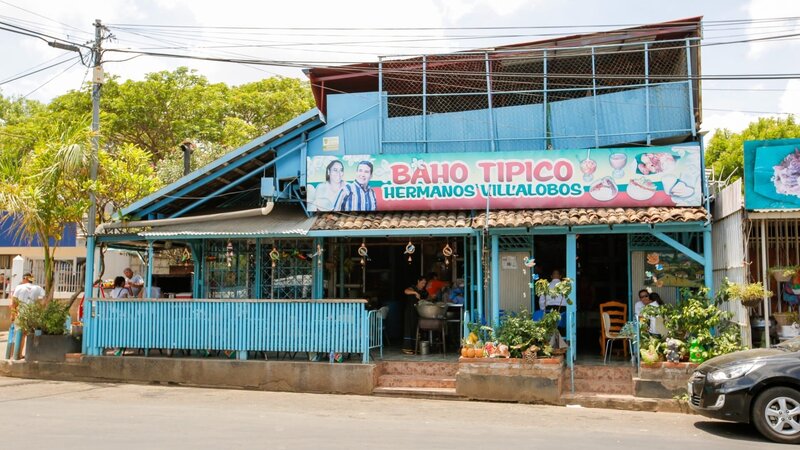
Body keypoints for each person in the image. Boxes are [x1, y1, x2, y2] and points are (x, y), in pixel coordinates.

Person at [10, 273, 45, 358]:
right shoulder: (38, 288)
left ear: (25, 278)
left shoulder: (19, 287)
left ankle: (18, 354)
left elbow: (14, 302)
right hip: (33, 315)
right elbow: (45, 299)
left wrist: (13, 314)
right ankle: (31, 354)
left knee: (20, 334)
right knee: (31, 334)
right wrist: (39, 308)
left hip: (21, 314)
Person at [402, 276, 429, 355]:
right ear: (418, 281)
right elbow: (406, 291)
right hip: (409, 311)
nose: (423, 285)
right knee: (409, 328)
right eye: (422, 283)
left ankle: (415, 348)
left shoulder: (424, 291)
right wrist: (415, 293)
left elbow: (426, 299)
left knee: (415, 329)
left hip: (418, 312)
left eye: (425, 283)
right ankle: (406, 348)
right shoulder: (413, 288)